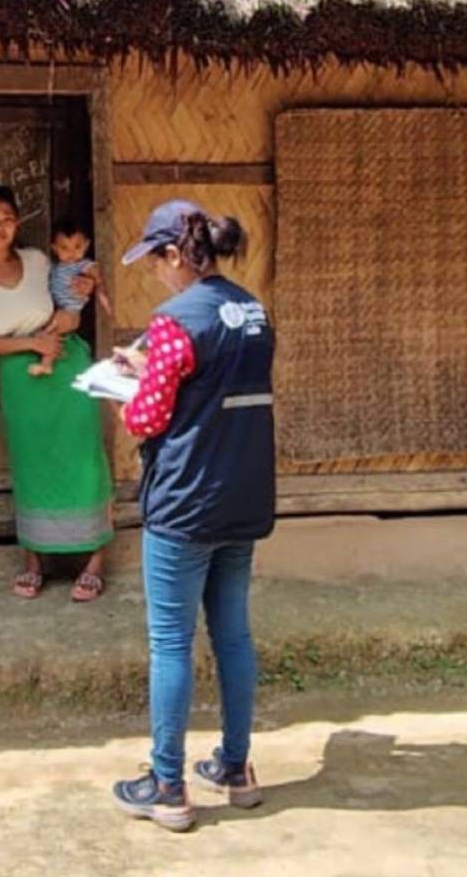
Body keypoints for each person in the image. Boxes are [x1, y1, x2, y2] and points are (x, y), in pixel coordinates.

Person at [108, 199, 275, 833]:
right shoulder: (255, 312)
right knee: (232, 634)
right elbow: (218, 389)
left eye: (155, 260)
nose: (154, 273)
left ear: (175, 254)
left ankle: (166, 785)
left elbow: (148, 418)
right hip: (243, 495)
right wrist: (154, 370)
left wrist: (132, 389)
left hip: (185, 501)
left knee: (171, 643)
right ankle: (236, 768)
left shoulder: (175, 319)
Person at [0, 184, 112, 601]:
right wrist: (32, 344)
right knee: (32, 462)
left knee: (83, 455)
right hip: (23, 377)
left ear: (17, 224)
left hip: (67, 364)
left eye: (6, 218)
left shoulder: (40, 260)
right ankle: (34, 562)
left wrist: (82, 296)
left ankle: (94, 560)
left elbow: (72, 302)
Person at [31, 216, 111, 378]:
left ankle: (46, 364)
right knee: (49, 333)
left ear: (86, 245)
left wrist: (102, 293)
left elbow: (97, 276)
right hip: (60, 308)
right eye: (64, 248)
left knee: (49, 333)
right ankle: (56, 357)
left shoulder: (83, 265)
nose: (72, 253)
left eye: (77, 247)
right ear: (54, 248)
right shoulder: (55, 267)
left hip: (70, 312)